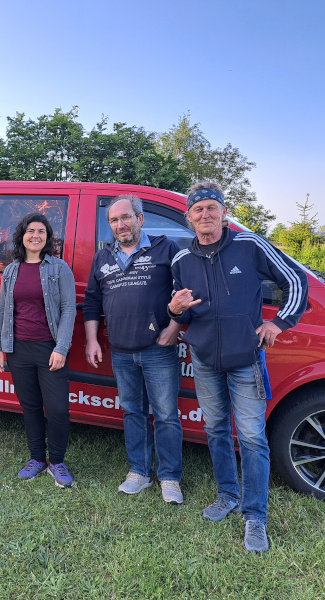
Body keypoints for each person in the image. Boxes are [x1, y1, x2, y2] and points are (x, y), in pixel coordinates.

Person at [169, 181, 308, 552]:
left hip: (246, 359)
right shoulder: (182, 260)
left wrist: (279, 322)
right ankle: (227, 494)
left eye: (212, 208)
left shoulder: (249, 245)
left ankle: (255, 516)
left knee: (251, 437)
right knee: (215, 429)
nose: (205, 215)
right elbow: (175, 302)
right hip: (204, 360)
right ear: (189, 218)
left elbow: (296, 278)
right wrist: (174, 309)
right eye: (198, 210)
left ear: (224, 212)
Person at [83, 195, 184, 504]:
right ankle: (139, 472)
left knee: (166, 415)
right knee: (132, 411)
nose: (120, 224)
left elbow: (186, 294)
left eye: (125, 217)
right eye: (114, 220)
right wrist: (91, 340)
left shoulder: (167, 250)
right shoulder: (102, 258)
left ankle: (169, 478)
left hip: (158, 348)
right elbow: (91, 301)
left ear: (140, 219)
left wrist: (174, 328)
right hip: (120, 349)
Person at [0, 213, 77, 488]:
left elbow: (68, 309)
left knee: (58, 410)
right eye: (31, 231)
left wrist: (61, 347)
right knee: (30, 408)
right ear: (22, 235)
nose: (36, 236)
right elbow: (4, 310)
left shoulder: (59, 268)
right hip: (18, 350)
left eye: (41, 231)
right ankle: (37, 459)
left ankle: (58, 462)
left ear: (47, 237)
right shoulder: (11, 270)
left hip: (49, 349)